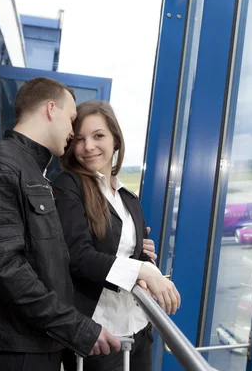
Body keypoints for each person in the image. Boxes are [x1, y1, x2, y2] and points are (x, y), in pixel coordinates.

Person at [0, 78, 121, 371]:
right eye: (72, 120)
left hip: (36, 340)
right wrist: (76, 327)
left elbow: (44, 259)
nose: (73, 133)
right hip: (15, 347)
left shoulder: (31, 170)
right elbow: (8, 271)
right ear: (51, 109)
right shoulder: (0, 168)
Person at [52, 101, 181, 371]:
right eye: (80, 139)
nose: (88, 146)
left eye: (98, 136)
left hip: (138, 327)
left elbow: (139, 253)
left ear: (115, 140)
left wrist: (146, 264)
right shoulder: (68, 185)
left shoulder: (127, 196)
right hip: (100, 333)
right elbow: (77, 255)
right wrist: (143, 271)